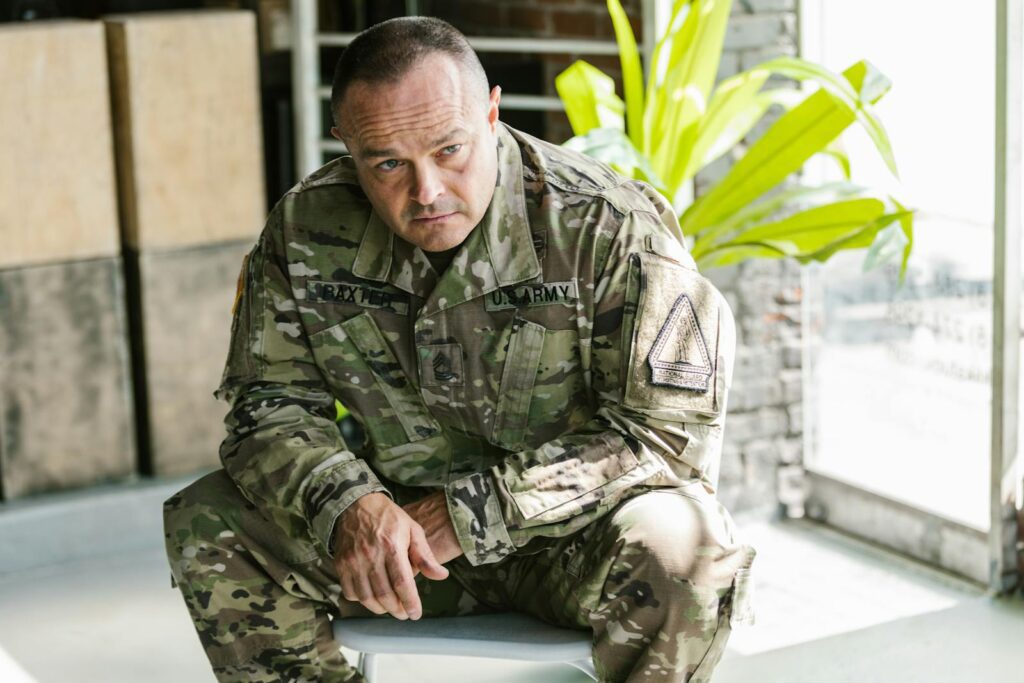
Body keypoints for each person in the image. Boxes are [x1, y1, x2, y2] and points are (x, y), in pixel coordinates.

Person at [163, 16, 754, 683]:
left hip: (575, 542)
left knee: (687, 549)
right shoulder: (307, 228)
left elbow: (664, 434)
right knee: (208, 518)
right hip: (396, 546)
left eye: (450, 149)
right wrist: (349, 503)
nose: (427, 191)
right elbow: (265, 408)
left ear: (492, 112)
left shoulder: (606, 225)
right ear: (347, 145)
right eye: (387, 162)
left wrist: (469, 514)